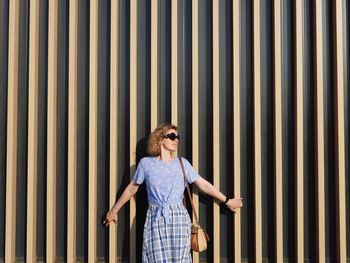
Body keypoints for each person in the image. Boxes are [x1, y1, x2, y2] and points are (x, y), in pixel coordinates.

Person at [104, 123, 243, 262]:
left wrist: (227, 200)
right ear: (159, 139)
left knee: (180, 259)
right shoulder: (145, 164)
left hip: (178, 218)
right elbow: (131, 188)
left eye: (177, 137)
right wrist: (113, 211)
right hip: (155, 217)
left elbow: (203, 184)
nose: (176, 140)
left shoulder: (182, 163)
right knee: (154, 258)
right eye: (171, 136)